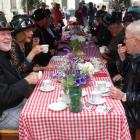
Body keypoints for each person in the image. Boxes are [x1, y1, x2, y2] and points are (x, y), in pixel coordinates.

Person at [0, 14, 40, 129]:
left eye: (8, 33)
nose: (8, 37)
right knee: (41, 122)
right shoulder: (10, 49)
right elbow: (4, 96)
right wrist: (27, 80)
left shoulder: (4, 53)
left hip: (17, 102)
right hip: (5, 113)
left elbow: (17, 74)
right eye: (2, 34)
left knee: (45, 108)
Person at [110, 20, 140, 140]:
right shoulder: (135, 55)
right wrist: (122, 57)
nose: (124, 41)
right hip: (129, 104)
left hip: (134, 112)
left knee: (107, 119)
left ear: (137, 41)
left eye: (126, 38)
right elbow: (126, 74)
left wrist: (124, 96)